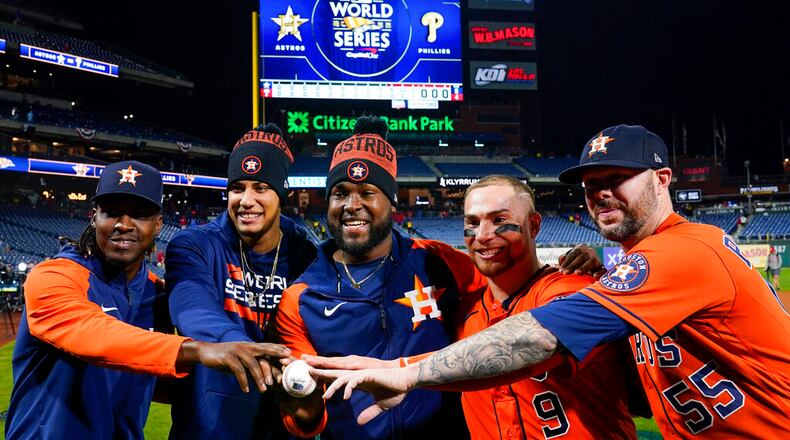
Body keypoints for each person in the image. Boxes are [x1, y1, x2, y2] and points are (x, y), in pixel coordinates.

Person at [319, 125, 790, 439]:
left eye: (618, 177)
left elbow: (540, 335)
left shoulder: (684, 251)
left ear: (663, 178)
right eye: (589, 184)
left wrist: (407, 372)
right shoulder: (626, 273)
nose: (600, 191)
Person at [309, 175, 639, 439]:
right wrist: (390, 370)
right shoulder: (465, 311)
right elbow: (457, 355)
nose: (482, 235)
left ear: (534, 226)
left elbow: (521, 344)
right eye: (472, 221)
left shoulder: (574, 289)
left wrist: (404, 372)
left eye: (500, 221)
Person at [5, 160, 291, 440]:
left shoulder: (157, 296)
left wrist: (263, 379)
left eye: (139, 214)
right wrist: (198, 350)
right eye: (112, 212)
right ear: (94, 217)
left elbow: (154, 376)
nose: (124, 225)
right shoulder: (54, 276)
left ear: (158, 224)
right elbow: (89, 332)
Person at [276, 116, 488, 439]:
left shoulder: (436, 261)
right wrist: (299, 408)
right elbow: (307, 422)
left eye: (367, 192)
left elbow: (510, 293)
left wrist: (573, 268)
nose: (352, 205)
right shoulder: (301, 298)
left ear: (391, 200)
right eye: (340, 193)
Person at [165, 125, 323, 439]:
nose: (246, 200)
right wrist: (245, 348)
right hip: (206, 429)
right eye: (237, 188)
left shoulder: (308, 256)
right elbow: (189, 304)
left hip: (280, 427)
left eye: (260, 188)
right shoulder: (194, 244)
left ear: (282, 195)